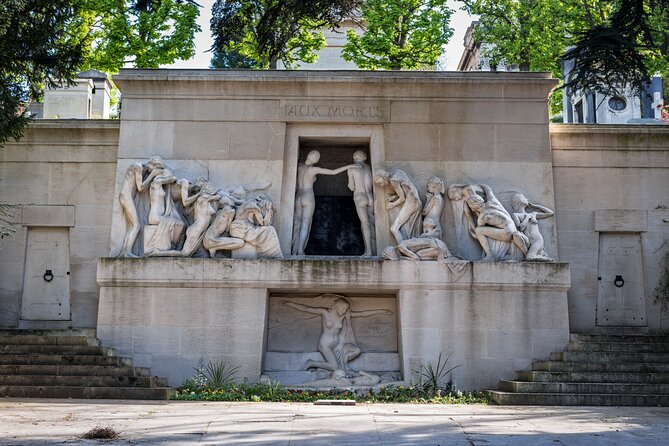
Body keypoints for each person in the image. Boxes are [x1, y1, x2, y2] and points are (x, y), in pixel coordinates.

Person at [283, 295, 392, 372]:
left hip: (338, 346)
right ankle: (311, 363)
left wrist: (380, 311)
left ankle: (339, 362)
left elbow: (362, 314)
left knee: (357, 351)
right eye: (343, 308)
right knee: (334, 367)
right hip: (325, 345)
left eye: (346, 309)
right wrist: (290, 303)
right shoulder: (325, 312)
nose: (345, 311)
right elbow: (307, 308)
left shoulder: (344, 316)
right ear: (337, 305)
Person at [292, 150, 352, 255]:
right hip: (308, 196)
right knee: (305, 224)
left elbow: (300, 161)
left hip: (298, 196)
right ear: (316, 160)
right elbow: (333, 172)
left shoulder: (299, 167)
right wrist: (350, 166)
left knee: (297, 224)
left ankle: (293, 250)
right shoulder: (314, 169)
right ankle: (300, 251)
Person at [146, 192, 221, 257]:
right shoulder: (203, 199)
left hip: (196, 228)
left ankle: (160, 252)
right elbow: (217, 198)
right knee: (184, 254)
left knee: (185, 252)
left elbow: (188, 211)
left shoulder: (202, 202)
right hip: (197, 229)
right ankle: (158, 252)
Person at [465, 184, 527, 261]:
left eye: (470, 206)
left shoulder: (483, 217)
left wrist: (469, 219)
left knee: (479, 230)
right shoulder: (492, 201)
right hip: (513, 229)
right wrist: (476, 187)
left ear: (473, 207)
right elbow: (488, 189)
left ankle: (490, 256)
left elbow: (478, 234)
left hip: (507, 234)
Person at [117, 158, 161, 257]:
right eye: (156, 168)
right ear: (152, 165)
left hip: (127, 197)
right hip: (126, 196)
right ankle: (127, 252)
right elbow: (140, 188)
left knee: (134, 226)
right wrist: (152, 175)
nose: (156, 170)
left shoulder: (141, 169)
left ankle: (126, 251)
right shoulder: (138, 166)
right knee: (136, 226)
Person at [374, 169, 422, 243]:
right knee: (406, 231)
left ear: (383, 177)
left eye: (380, 182)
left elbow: (402, 198)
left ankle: (403, 249)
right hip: (414, 201)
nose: (382, 185)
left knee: (394, 228)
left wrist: (392, 205)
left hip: (411, 203)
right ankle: (408, 246)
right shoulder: (397, 172)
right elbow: (406, 190)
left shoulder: (393, 180)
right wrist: (393, 197)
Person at [347, 150, 376, 256]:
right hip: (370, 196)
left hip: (360, 196)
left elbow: (351, 187)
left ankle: (368, 251)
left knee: (365, 223)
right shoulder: (369, 168)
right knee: (373, 224)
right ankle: (375, 250)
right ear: (364, 158)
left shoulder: (352, 168)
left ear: (354, 158)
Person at [511, 193, 554, 261]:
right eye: (525, 198)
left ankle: (544, 258)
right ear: (519, 201)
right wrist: (527, 218)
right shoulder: (516, 215)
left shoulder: (533, 214)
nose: (527, 199)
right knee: (529, 257)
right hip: (527, 241)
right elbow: (520, 228)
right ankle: (542, 258)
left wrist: (536, 206)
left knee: (530, 257)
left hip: (537, 240)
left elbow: (550, 213)